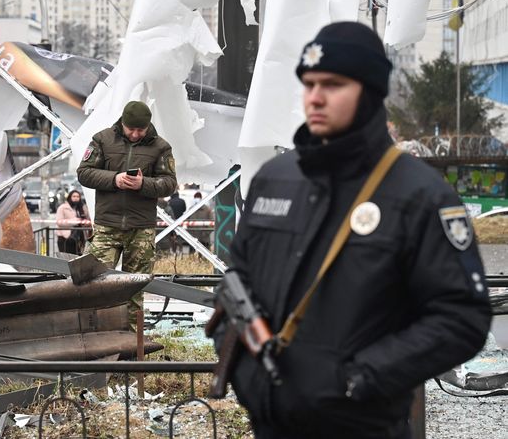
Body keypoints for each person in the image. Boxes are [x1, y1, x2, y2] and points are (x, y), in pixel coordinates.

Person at [219, 22, 492, 439]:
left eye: (333, 84)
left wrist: (359, 377)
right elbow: (236, 278)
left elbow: (461, 318)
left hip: (361, 426)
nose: (315, 97)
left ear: (369, 91)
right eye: (308, 83)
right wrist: (243, 369)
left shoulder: (419, 193)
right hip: (270, 423)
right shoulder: (275, 177)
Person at [77, 100, 178, 326]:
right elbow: (84, 173)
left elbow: (170, 183)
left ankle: (133, 346)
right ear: (122, 123)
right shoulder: (102, 140)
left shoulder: (161, 147)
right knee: (96, 286)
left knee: (135, 290)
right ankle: (98, 341)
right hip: (107, 226)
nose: (134, 134)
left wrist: (143, 184)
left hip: (141, 229)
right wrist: (114, 179)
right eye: (130, 129)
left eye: (140, 130)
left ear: (148, 126)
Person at [55, 189, 91, 255]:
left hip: (80, 238)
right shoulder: (62, 208)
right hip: (65, 237)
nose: (76, 198)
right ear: (70, 197)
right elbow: (59, 222)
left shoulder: (82, 208)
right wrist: (75, 221)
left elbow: (87, 221)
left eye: (78, 197)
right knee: (65, 257)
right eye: (74, 196)